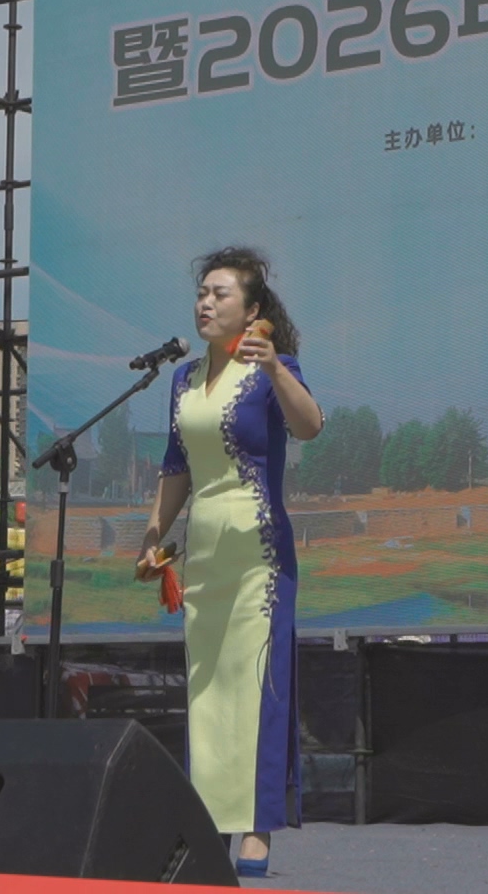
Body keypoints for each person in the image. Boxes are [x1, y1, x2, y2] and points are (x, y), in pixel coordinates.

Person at [135, 247, 323, 878]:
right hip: (206, 550)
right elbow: (176, 466)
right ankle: (209, 822)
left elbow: (310, 426)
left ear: (252, 309)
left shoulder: (275, 368)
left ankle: (257, 827)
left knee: (256, 683)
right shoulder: (183, 379)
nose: (206, 303)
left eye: (220, 294)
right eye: (202, 293)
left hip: (258, 552)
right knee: (208, 687)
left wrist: (273, 368)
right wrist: (154, 536)